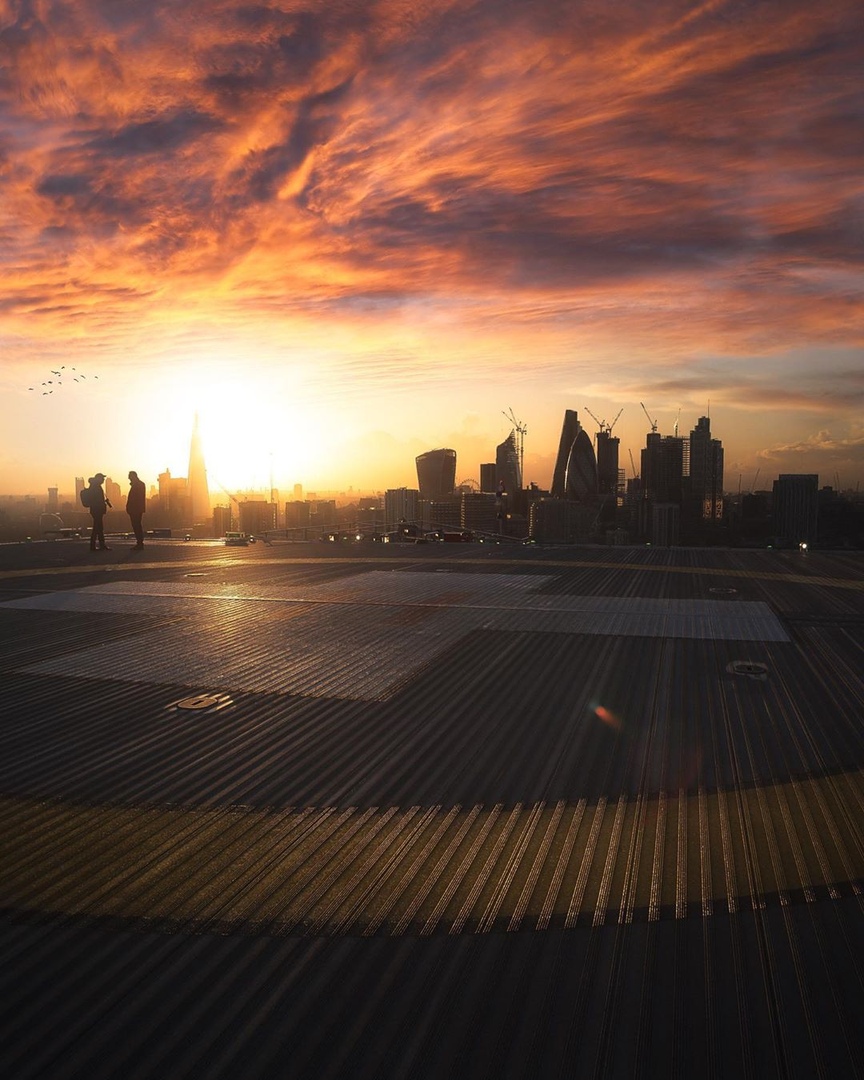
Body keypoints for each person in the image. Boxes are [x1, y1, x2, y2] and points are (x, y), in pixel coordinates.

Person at [87, 473, 111, 551]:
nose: (103, 480)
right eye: (102, 478)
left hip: (96, 510)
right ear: (98, 479)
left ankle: (98, 545)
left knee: (99, 528)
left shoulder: (94, 486)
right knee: (97, 528)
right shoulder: (96, 487)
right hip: (97, 510)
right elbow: (97, 500)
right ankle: (95, 545)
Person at [126, 470, 146, 549]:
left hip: (135, 509)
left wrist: (129, 507)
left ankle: (139, 542)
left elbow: (134, 498)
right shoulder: (140, 484)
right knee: (137, 525)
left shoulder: (137, 485)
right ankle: (139, 542)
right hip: (137, 509)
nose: (128, 478)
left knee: (136, 525)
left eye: (129, 476)